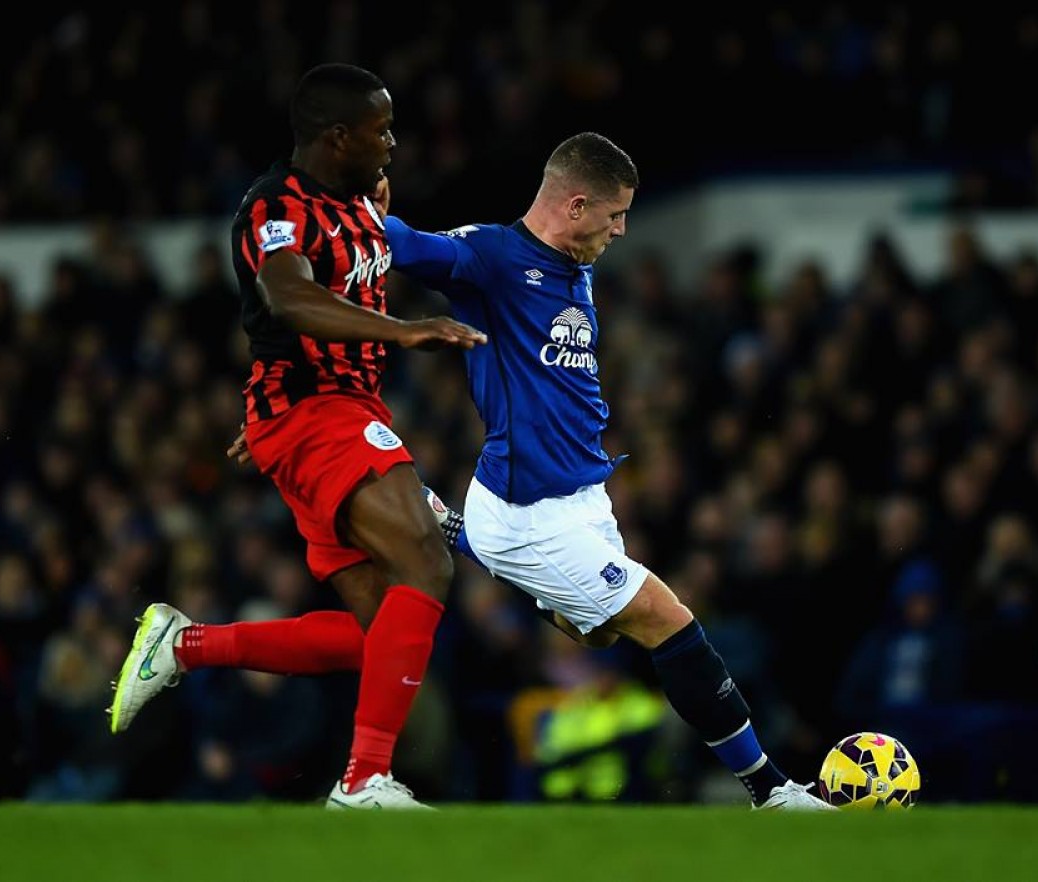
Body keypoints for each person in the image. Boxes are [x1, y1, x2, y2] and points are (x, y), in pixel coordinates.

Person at [222, 132, 835, 810]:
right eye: (615, 215)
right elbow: (399, 246)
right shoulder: (489, 257)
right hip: (530, 509)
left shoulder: (574, 265)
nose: (621, 230)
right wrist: (361, 227)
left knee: (599, 632)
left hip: (585, 499)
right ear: (576, 206)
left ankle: (460, 533)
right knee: (667, 618)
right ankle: (772, 791)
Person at [107, 63, 486, 811]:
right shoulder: (273, 206)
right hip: (319, 414)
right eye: (381, 130)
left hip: (322, 415)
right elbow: (288, 296)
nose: (393, 143)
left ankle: (184, 645)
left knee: (381, 632)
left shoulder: (366, 198)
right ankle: (364, 779)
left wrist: (268, 417)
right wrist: (402, 331)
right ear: (337, 137)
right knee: (426, 562)